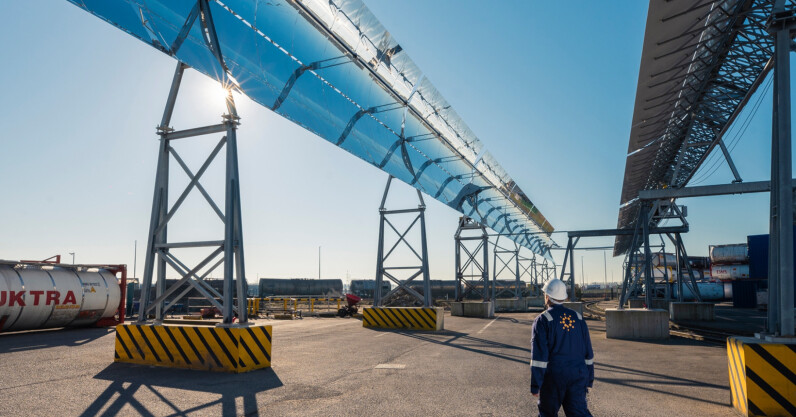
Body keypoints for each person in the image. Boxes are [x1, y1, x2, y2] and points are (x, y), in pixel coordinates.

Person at [530, 278, 594, 417]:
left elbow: (539, 357)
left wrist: (536, 384)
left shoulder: (542, 320)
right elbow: (588, 352)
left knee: (547, 413)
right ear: (564, 297)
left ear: (547, 297)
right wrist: (589, 379)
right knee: (579, 413)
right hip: (578, 375)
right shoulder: (578, 317)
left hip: (554, 377)